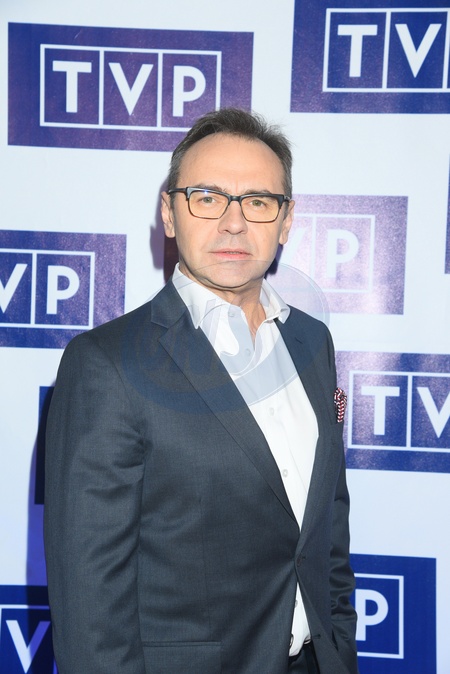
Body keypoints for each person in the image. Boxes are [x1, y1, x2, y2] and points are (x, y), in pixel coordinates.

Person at [44, 108, 358, 674]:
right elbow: (89, 602)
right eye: (207, 197)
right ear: (169, 213)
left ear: (286, 221)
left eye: (257, 201)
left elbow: (327, 530)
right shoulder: (105, 365)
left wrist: (340, 649)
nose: (234, 223)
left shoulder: (314, 342)